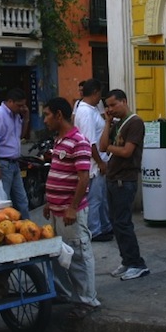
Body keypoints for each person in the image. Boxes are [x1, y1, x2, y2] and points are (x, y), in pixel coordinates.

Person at [41, 97, 101, 319]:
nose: (45, 120)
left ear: (58, 115)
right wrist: (49, 202)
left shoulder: (79, 141)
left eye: (47, 115)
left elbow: (83, 178)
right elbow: (58, 173)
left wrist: (72, 208)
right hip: (57, 211)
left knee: (78, 254)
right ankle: (65, 294)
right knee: (60, 254)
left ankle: (87, 300)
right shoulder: (59, 141)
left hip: (70, 212)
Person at [99, 89, 149, 281]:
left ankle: (137, 263)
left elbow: (127, 151)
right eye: (108, 106)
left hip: (124, 179)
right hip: (113, 178)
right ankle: (127, 260)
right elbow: (102, 144)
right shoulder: (117, 124)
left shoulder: (135, 122)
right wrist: (107, 123)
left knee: (123, 223)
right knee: (116, 223)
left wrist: (110, 148)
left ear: (124, 101)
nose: (110, 109)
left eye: (113, 105)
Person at [74, 79, 112, 242]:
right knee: (94, 199)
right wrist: (100, 162)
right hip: (94, 164)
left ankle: (105, 226)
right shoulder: (86, 112)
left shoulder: (92, 109)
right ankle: (94, 230)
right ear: (96, 92)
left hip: (99, 161)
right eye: (100, 95)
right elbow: (90, 142)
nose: (100, 98)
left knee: (101, 197)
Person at [0, 88, 31, 219]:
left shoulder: (16, 116)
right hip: (2, 163)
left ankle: (27, 227)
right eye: (19, 105)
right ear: (10, 102)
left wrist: (26, 118)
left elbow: (21, 136)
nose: (21, 108)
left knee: (21, 200)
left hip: (14, 163)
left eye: (23, 105)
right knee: (2, 202)